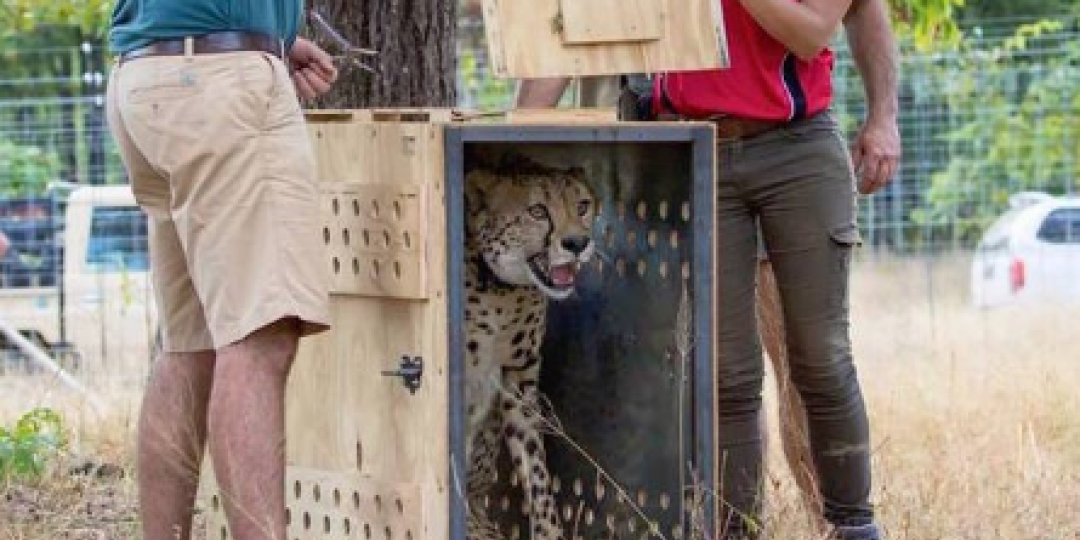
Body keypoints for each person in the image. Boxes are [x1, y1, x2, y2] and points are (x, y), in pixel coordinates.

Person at [516, 0, 900, 538]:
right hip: (694, 146)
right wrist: (517, 135)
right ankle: (735, 528)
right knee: (725, 373)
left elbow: (812, 33)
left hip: (794, 148)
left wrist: (885, 116)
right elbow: (573, 23)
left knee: (820, 359)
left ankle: (852, 524)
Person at [105, 3, 338, 539]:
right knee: (260, 337)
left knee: (192, 344)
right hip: (219, 80)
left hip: (146, 74)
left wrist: (273, 33)